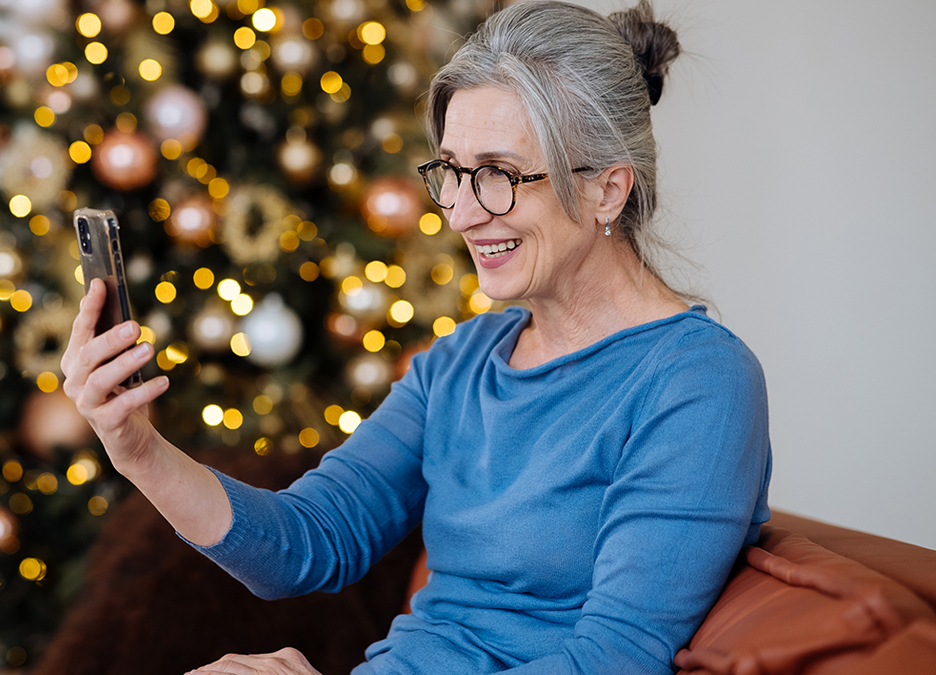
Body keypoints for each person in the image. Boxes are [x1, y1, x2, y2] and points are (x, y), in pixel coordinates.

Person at [60, 1, 773, 673]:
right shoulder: (462, 362)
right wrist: (139, 450)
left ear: (607, 191)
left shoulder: (696, 381)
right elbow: (309, 540)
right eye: (452, 174)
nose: (461, 214)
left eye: (496, 176)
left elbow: (613, 659)